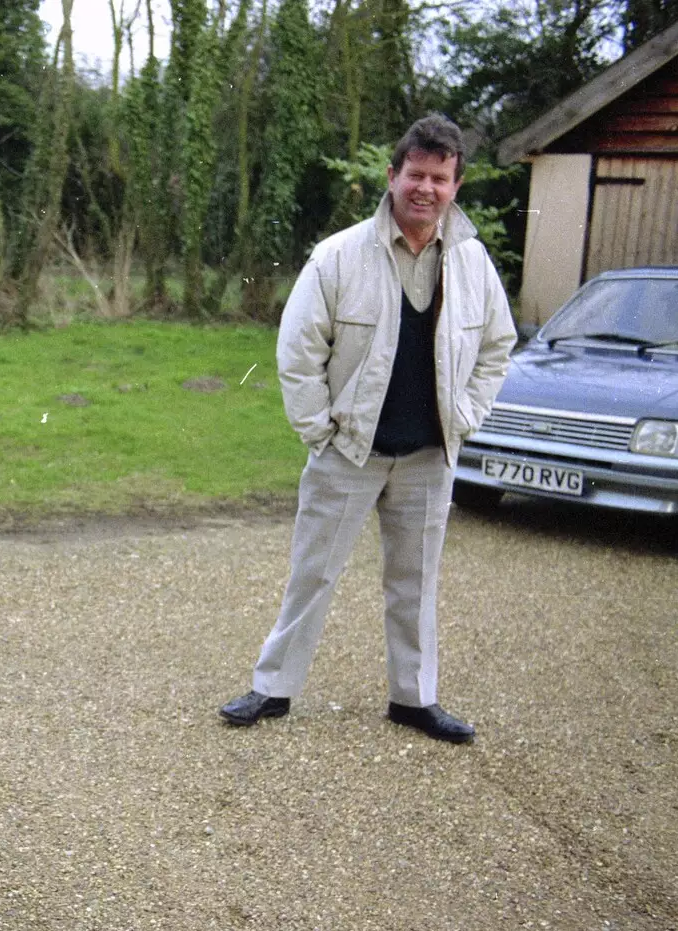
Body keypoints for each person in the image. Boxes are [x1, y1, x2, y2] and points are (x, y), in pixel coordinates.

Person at [218, 115, 516, 744]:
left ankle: (414, 699)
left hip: (430, 456)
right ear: (392, 175)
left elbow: (497, 346)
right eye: (416, 174)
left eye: (440, 177)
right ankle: (272, 688)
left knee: (416, 584)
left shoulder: (472, 261)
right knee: (313, 574)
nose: (426, 188)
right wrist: (318, 431)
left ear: (456, 185)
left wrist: (465, 417)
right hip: (347, 451)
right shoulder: (338, 255)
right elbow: (298, 351)